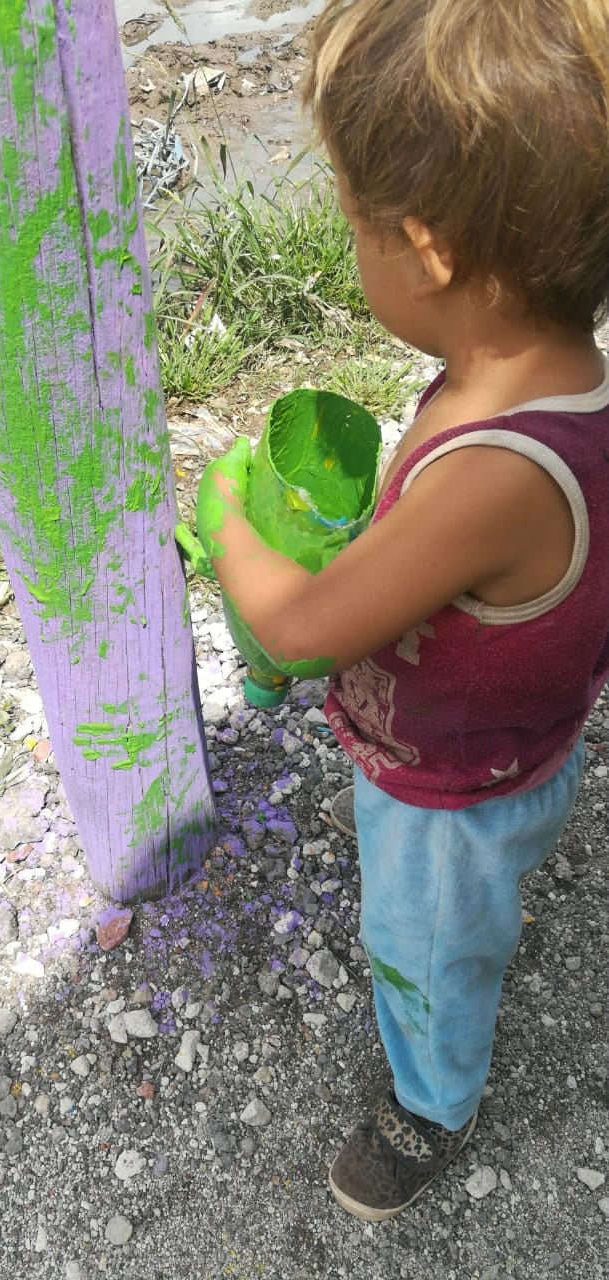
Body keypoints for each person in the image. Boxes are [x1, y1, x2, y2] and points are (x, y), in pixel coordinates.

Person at [192, 0, 609, 1221]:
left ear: (423, 249)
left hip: (447, 787)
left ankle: (432, 1094)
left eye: (351, 220)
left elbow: (301, 628)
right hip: (518, 733)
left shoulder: (489, 473)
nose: (348, 242)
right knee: (508, 826)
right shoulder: (553, 372)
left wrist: (225, 517)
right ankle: (506, 845)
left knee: (427, 945)